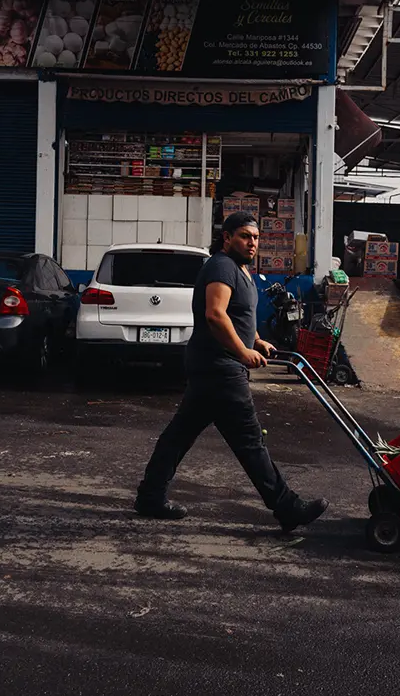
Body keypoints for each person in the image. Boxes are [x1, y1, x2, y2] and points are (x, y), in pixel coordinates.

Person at [134, 212, 328, 532]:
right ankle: (287, 507)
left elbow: (237, 316)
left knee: (178, 436)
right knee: (249, 441)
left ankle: (150, 496)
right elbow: (215, 314)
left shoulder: (240, 270)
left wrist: (256, 340)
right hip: (220, 367)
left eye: (255, 238)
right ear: (227, 238)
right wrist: (242, 351)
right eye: (244, 236)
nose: (252, 243)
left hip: (213, 366)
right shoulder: (222, 266)